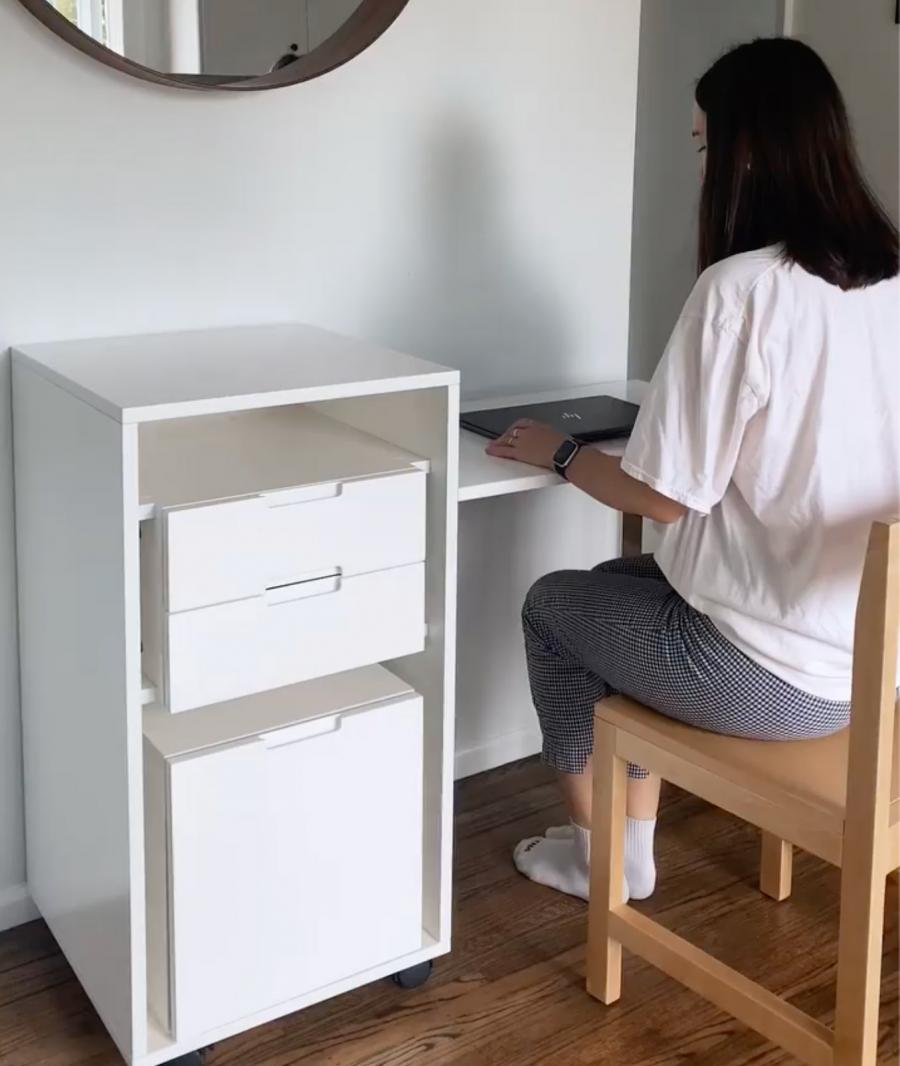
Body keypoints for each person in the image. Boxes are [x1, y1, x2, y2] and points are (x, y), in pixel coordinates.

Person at [487, 37, 899, 903]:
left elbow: (666, 499)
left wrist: (562, 454)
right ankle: (626, 841)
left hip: (771, 678)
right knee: (611, 583)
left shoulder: (743, 289)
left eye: (706, 142)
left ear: (746, 151)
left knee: (552, 609)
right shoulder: (888, 281)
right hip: (867, 666)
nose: (705, 164)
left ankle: (608, 861)